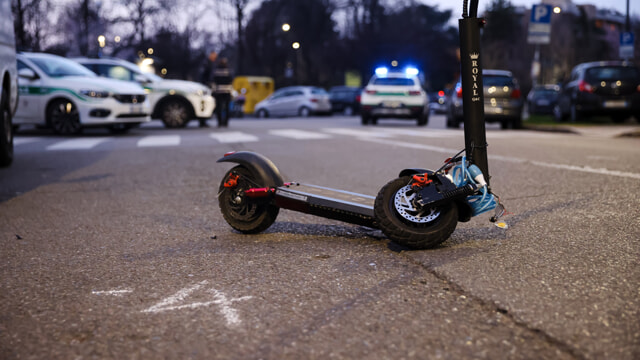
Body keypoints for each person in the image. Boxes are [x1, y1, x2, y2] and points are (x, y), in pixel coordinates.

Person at [212, 58, 233, 127]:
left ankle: (219, 122)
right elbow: (231, 81)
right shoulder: (228, 70)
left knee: (219, 108)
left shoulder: (216, 71)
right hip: (227, 91)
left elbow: (213, 82)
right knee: (227, 108)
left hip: (218, 92)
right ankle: (226, 122)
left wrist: (214, 91)